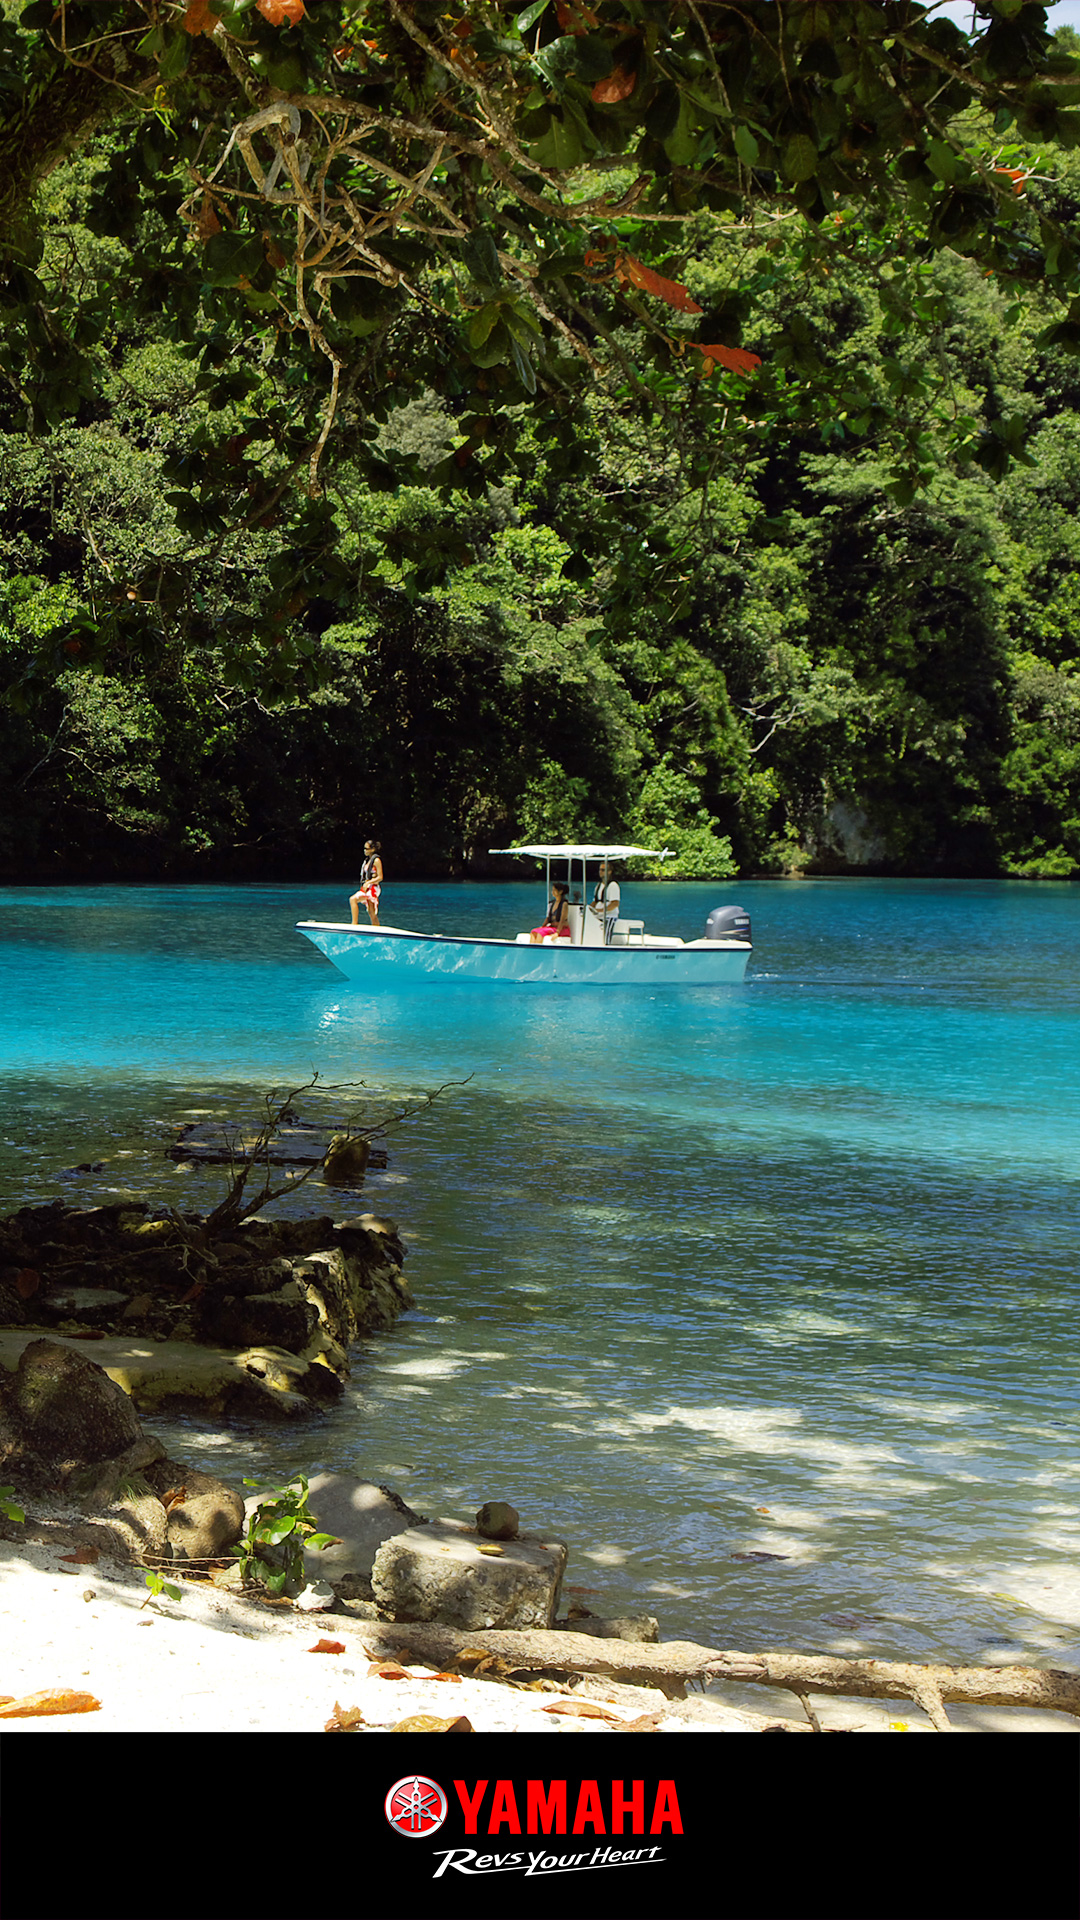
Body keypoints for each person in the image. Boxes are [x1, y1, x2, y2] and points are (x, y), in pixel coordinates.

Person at [350, 839, 384, 927]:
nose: (364, 850)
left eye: (366, 848)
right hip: (367, 887)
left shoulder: (376, 860)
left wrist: (369, 882)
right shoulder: (367, 860)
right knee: (370, 911)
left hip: (373, 888)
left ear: (372, 849)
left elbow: (380, 877)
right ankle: (356, 924)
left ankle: (356, 925)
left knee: (355, 901)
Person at [589, 860, 621, 943]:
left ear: (609, 872)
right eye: (600, 870)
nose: (600, 872)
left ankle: (606, 945)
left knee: (605, 939)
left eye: (603, 870)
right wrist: (589, 909)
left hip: (609, 917)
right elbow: (595, 901)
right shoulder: (598, 885)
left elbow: (615, 904)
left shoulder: (613, 885)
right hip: (598, 916)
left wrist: (600, 910)